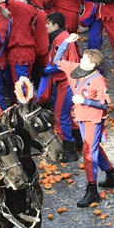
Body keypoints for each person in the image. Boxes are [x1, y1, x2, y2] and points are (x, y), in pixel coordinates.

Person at [56, 36, 114, 207]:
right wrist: (67, 42)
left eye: (85, 59)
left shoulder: (98, 80)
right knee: (93, 148)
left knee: (88, 152)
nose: (81, 60)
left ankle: (92, 190)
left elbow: (104, 104)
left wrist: (84, 101)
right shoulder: (75, 68)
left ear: (92, 65)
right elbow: (57, 60)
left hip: (93, 119)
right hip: (81, 117)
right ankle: (112, 176)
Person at [40, 12, 81, 161]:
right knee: (66, 114)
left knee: (60, 115)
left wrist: (46, 70)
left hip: (66, 81)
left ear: (55, 25)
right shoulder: (64, 36)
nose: (45, 26)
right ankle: (78, 142)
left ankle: (69, 151)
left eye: (48, 23)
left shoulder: (60, 39)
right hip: (69, 80)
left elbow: (60, 65)